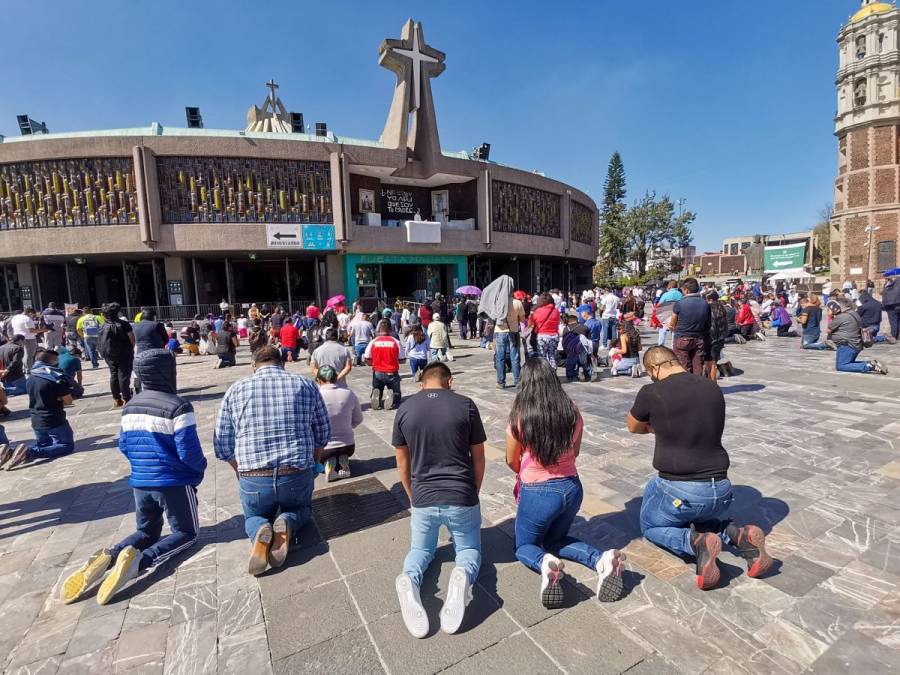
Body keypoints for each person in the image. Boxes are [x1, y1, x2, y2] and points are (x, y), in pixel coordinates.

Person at [60, 349, 205, 605]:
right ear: (168, 371)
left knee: (146, 531)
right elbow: (189, 452)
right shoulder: (179, 406)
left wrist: (142, 466)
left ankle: (110, 555)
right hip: (172, 482)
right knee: (186, 533)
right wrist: (199, 469)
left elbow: (124, 445)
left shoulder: (130, 408)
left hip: (140, 481)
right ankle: (139, 562)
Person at [626, 346, 774, 590]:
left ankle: (696, 543)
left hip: (681, 489)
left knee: (652, 525)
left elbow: (633, 426)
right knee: (700, 515)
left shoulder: (651, 391)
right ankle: (738, 535)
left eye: (650, 373)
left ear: (655, 367)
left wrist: (653, 426)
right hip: (721, 490)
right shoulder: (711, 386)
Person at [506, 359, 625, 607]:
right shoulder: (571, 410)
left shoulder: (521, 414)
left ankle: (545, 564)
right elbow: (575, 451)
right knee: (556, 540)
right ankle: (600, 560)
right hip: (571, 488)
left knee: (525, 545)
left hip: (538, 491)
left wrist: (527, 474)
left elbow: (510, 459)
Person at [214, 345, 331, 576]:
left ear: (253, 366)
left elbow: (222, 445)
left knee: (253, 516)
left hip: (254, 477)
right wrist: (314, 462)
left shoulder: (236, 389)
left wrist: (239, 470)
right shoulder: (306, 385)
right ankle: (288, 521)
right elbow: (323, 433)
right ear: (283, 363)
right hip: (296, 472)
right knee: (302, 509)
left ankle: (260, 529)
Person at [392, 362, 486, 638]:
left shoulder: (405, 408)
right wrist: (473, 491)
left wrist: (412, 495)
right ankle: (462, 577)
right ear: (450, 381)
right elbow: (478, 457)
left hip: (423, 496)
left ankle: (409, 578)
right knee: (469, 550)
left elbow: (402, 462)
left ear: (421, 384)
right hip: (461, 494)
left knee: (421, 551)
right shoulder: (466, 405)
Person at [5, 348, 85, 470]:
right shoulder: (55, 379)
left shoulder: (31, 377)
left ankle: (10, 452)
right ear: (52, 361)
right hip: (54, 420)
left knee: (45, 445)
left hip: (36, 420)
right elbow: (68, 401)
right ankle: (28, 452)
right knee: (66, 445)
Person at [316, 365, 363, 482]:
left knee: (323, 452)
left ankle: (328, 463)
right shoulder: (349, 393)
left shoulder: (316, 395)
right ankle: (343, 460)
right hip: (348, 446)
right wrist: (346, 426)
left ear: (318, 380)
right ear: (336, 378)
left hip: (323, 449)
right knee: (341, 452)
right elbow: (358, 419)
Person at [482, 276, 525, 389]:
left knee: (500, 357)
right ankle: (517, 381)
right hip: (513, 332)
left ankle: (501, 382)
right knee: (515, 357)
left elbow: (492, 317)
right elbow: (522, 318)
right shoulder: (517, 303)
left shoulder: (497, 303)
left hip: (500, 332)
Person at [827, 299, 889, 375]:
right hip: (855, 344)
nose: (828, 311)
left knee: (842, 366)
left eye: (828, 309)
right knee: (849, 363)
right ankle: (873, 363)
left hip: (847, 345)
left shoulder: (841, 317)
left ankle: (870, 366)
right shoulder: (853, 313)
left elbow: (828, 330)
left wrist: (830, 316)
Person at [668, 278, 710, 375]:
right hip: (699, 339)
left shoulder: (679, 304)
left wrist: (670, 326)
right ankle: (697, 386)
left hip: (682, 338)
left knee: (683, 366)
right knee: (698, 365)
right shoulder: (705, 304)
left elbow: (672, 324)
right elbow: (708, 324)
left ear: (686, 290)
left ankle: (686, 387)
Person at [98, 303, 135, 408]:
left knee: (113, 375)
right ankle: (127, 397)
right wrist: (132, 348)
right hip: (124, 353)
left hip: (109, 354)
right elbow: (132, 338)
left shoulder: (103, 325)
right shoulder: (123, 324)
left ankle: (117, 398)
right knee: (123, 375)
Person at [364, 319, 406, 410]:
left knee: (377, 387)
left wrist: (373, 363)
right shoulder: (396, 342)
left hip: (377, 371)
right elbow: (403, 360)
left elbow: (366, 358)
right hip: (392, 371)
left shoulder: (373, 342)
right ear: (390, 330)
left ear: (379, 331)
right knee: (397, 393)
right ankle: (392, 397)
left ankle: (376, 396)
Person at [529, 293, 560, 368]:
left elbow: (530, 323)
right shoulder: (556, 311)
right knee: (552, 355)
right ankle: (553, 373)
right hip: (554, 335)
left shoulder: (537, 311)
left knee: (542, 357)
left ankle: (543, 373)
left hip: (542, 335)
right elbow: (558, 322)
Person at [11, 308, 46, 373]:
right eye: (33, 315)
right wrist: (44, 330)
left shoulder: (15, 317)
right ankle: (29, 369)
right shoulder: (27, 319)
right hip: (29, 339)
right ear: (30, 313)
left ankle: (24, 368)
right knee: (29, 355)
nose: (33, 317)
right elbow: (32, 330)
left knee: (23, 354)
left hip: (18, 339)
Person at [562, 311, 593, 382]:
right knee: (585, 362)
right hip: (582, 348)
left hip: (571, 349)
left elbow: (564, 341)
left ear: (569, 321)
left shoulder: (566, 329)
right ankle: (588, 375)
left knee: (571, 362)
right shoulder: (584, 327)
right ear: (577, 320)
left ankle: (571, 376)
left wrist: (566, 350)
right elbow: (589, 340)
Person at [656, 282, 683, 346]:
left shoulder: (666, 294)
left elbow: (659, 304)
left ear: (669, 287)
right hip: (677, 315)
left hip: (666, 315)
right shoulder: (680, 294)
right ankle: (673, 346)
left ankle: (660, 345)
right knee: (674, 332)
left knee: (662, 331)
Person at [883, 272, 900, 341]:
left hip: (891, 306)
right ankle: (896, 336)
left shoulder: (887, 285)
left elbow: (885, 294)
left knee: (893, 322)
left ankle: (894, 336)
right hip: (897, 304)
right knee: (897, 321)